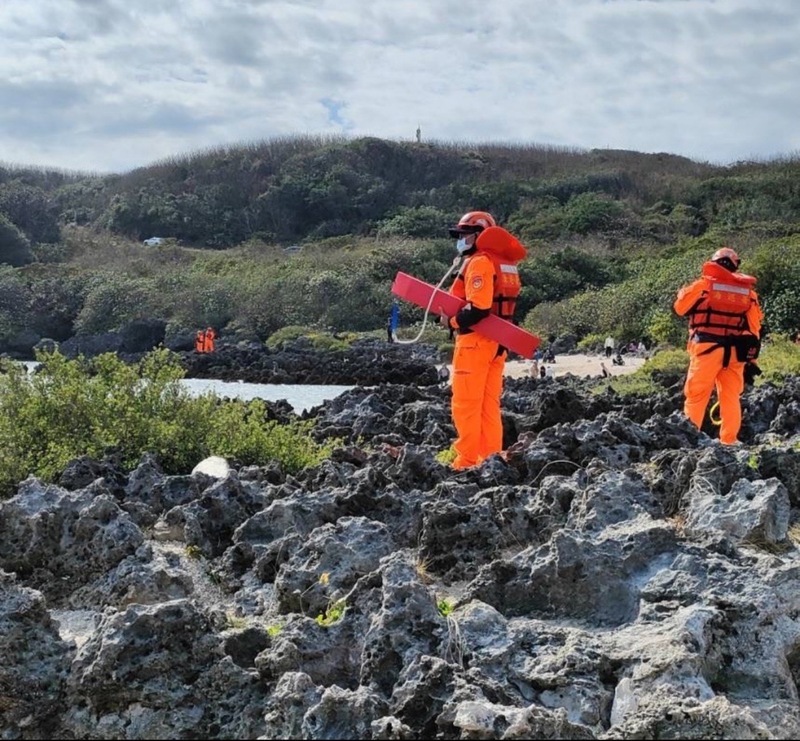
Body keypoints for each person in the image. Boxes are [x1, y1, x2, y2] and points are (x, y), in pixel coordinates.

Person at [439, 210, 526, 470]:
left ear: (479, 236)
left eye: (465, 234)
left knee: (466, 403)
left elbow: (478, 307)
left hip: (475, 342)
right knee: (489, 405)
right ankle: (490, 459)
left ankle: (465, 462)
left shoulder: (480, 262)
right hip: (497, 345)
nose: (461, 239)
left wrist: (451, 322)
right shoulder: (505, 263)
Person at [673, 247, 763, 445]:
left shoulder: (703, 285)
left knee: (696, 395)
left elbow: (680, 308)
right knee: (731, 396)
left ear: (714, 262)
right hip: (735, 354)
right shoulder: (748, 293)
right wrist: (751, 359)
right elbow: (754, 329)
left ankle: (690, 439)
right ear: (735, 265)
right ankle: (729, 440)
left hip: (706, 349)